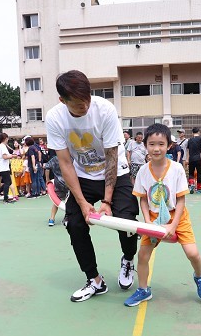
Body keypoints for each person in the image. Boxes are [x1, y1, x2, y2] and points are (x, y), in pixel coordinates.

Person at [45, 69, 139, 302]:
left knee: (126, 221)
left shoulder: (105, 110)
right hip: (83, 176)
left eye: (87, 99)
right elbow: (65, 163)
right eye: (78, 104)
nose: (85, 106)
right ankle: (95, 280)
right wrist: (82, 202)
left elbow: (112, 157)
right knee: (74, 224)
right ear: (63, 101)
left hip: (115, 172)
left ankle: (128, 259)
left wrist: (106, 201)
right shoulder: (55, 118)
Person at [125, 123, 201, 307]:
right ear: (145, 145)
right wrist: (148, 223)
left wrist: (173, 225)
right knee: (143, 256)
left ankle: (200, 277)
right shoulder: (143, 171)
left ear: (169, 145)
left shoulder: (177, 169)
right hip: (154, 218)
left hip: (178, 217)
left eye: (161, 144)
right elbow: (143, 200)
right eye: (152, 144)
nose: (156, 148)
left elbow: (181, 200)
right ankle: (143, 290)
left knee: (193, 253)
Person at [43, 148, 69, 227]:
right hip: (69, 183)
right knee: (69, 201)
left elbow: (47, 168)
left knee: (56, 201)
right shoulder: (69, 158)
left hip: (58, 183)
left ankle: (52, 218)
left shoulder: (54, 159)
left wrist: (47, 179)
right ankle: (66, 218)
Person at [0, 133, 19, 203]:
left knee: (8, 182)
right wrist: (13, 156)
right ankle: (5, 198)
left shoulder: (1, 146)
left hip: (2, 167)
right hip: (4, 167)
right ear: (6, 139)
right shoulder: (3, 146)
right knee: (7, 182)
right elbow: (4, 157)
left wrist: (11, 155)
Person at [185, 127, 201, 194]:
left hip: (191, 159)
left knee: (191, 172)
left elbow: (188, 150)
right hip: (199, 158)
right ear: (198, 132)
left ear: (192, 133)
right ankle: (199, 188)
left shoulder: (189, 140)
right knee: (200, 173)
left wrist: (187, 159)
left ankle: (191, 184)